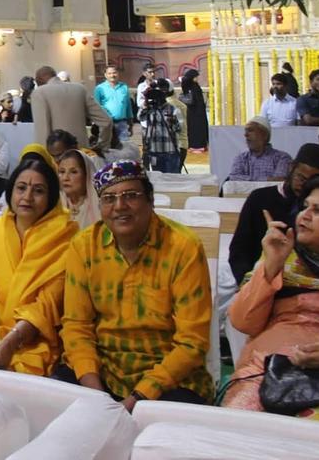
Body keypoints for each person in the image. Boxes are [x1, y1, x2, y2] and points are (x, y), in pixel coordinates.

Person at [57, 160, 214, 408]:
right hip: (103, 374)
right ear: (100, 206)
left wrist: (137, 398)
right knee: (56, 409)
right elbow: (77, 326)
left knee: (160, 435)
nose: (120, 206)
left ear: (150, 200)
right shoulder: (84, 246)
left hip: (170, 380)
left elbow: (192, 342)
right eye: (109, 198)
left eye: (131, 196)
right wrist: (97, 395)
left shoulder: (183, 247)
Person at [223, 177, 319, 423]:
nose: (304, 215)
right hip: (267, 373)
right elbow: (242, 321)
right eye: (305, 206)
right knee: (239, 426)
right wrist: (271, 265)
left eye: (318, 211)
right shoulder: (283, 261)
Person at [0, 156, 78, 373]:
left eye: (38, 191)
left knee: (21, 371)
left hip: (35, 337)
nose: (27, 197)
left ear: (51, 198)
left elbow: (46, 306)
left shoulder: (66, 238)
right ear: (11, 192)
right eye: (21, 188)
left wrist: (9, 344)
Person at [228, 142, 319, 284]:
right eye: (300, 178)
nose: (304, 185)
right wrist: (248, 285)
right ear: (291, 168)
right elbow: (239, 251)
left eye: (313, 181)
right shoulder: (260, 199)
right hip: (261, 280)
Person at [32, 65, 112, 154]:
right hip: (82, 153)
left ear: (38, 80)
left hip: (57, 155)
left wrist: (43, 158)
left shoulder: (39, 93)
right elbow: (106, 121)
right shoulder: (80, 89)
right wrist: (101, 146)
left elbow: (42, 131)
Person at [226, 115, 292, 182]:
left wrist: (248, 180)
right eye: (246, 131)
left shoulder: (282, 158)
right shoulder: (241, 158)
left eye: (250, 130)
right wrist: (267, 179)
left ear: (265, 135)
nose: (245, 135)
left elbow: (278, 181)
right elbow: (234, 178)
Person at [139, 79, 183, 173]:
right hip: (154, 151)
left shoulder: (173, 109)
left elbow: (179, 129)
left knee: (173, 179)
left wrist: (171, 120)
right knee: (159, 180)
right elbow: (140, 117)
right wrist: (146, 104)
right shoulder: (149, 109)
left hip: (170, 151)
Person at [57, 149, 100, 229]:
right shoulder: (55, 205)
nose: (65, 178)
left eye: (73, 172)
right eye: (62, 172)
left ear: (87, 175)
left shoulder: (99, 207)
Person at [94, 65, 133, 144]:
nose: (112, 75)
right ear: (105, 75)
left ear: (118, 73)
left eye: (114, 73)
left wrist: (130, 122)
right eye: (109, 73)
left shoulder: (124, 87)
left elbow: (128, 105)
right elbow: (96, 107)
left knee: (124, 147)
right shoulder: (99, 88)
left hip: (122, 123)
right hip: (106, 124)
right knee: (107, 148)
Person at [179, 68, 209, 151]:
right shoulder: (193, 86)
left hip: (193, 111)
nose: (197, 78)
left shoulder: (189, 86)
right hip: (196, 111)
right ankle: (197, 145)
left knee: (194, 128)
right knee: (197, 128)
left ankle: (196, 145)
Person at [166, 80, 189, 169]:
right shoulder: (180, 105)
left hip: (174, 145)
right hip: (181, 144)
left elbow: (178, 127)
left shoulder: (172, 106)